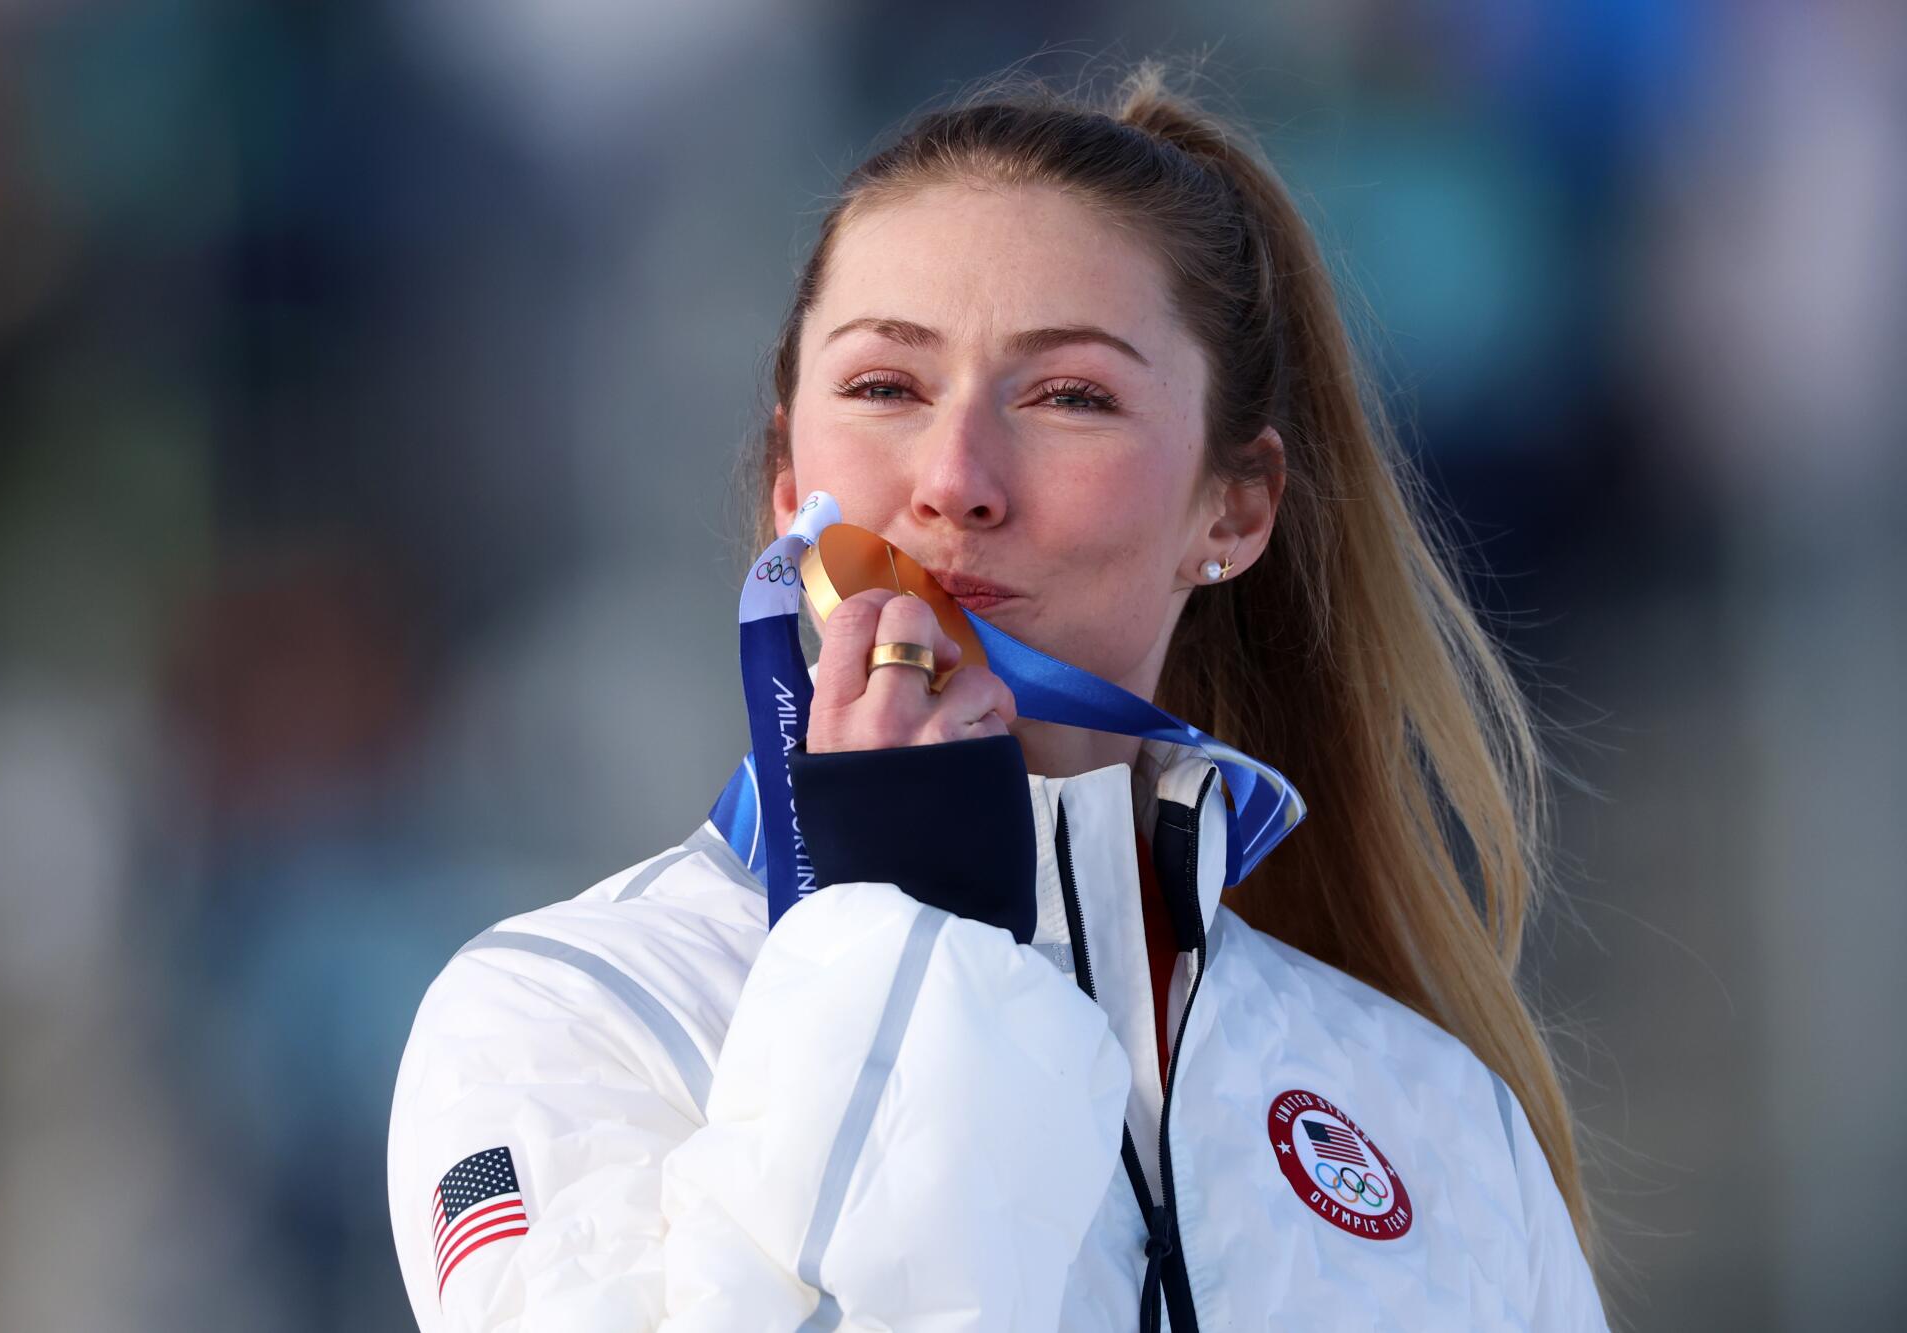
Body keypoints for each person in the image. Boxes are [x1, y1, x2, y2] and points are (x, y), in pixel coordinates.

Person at [386, 60, 1610, 1331]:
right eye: (884, 387)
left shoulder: (1430, 1112)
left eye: (1069, 397)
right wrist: (903, 927)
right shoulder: (569, 1008)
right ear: (784, 480)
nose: (957, 478)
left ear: (1234, 509)